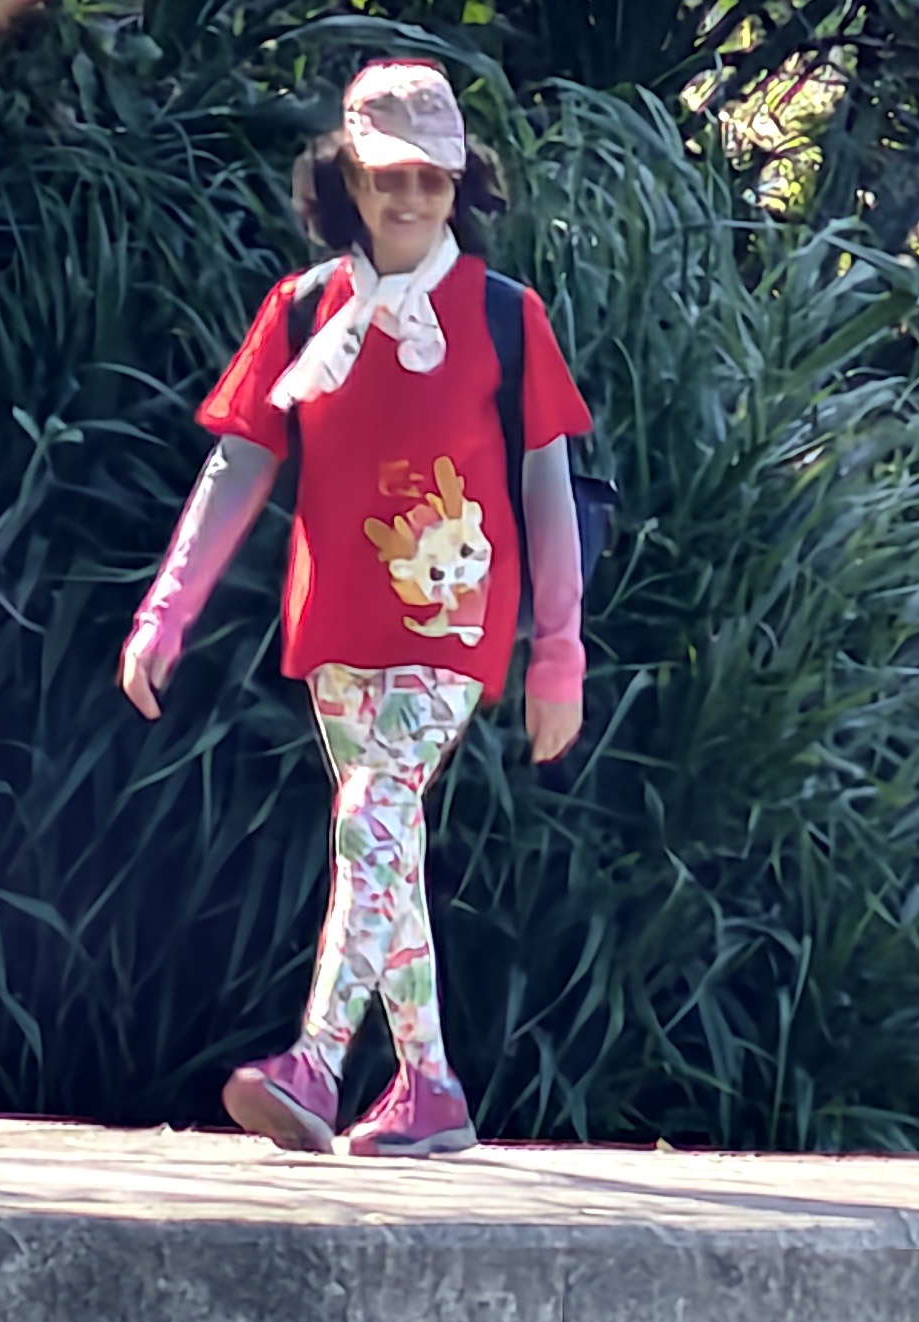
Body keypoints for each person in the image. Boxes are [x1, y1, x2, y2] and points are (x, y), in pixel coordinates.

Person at [118, 61, 594, 1157]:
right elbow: (239, 465)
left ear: (459, 184)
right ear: (350, 181)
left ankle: (317, 1062)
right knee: (387, 847)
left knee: (371, 817)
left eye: (431, 178)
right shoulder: (302, 312)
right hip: (335, 625)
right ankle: (430, 1087)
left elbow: (548, 487)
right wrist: (167, 611)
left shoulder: (505, 317)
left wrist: (558, 655)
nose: (410, 198)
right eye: (388, 177)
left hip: (453, 627)